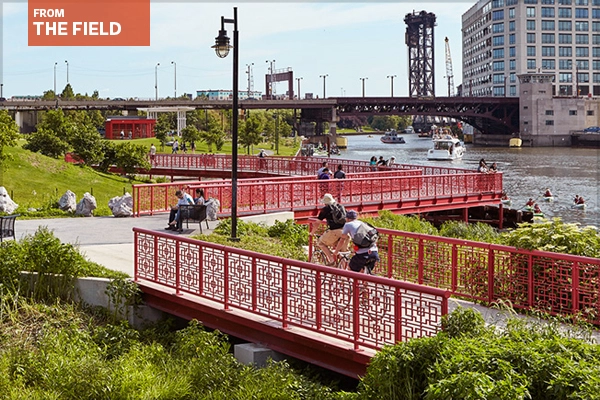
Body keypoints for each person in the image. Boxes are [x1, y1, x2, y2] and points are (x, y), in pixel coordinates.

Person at [310, 194, 346, 266]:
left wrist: (312, 233)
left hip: (334, 231)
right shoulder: (340, 206)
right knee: (342, 252)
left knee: (320, 243)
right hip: (346, 231)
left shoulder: (326, 209)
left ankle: (331, 259)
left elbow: (317, 223)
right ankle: (344, 269)